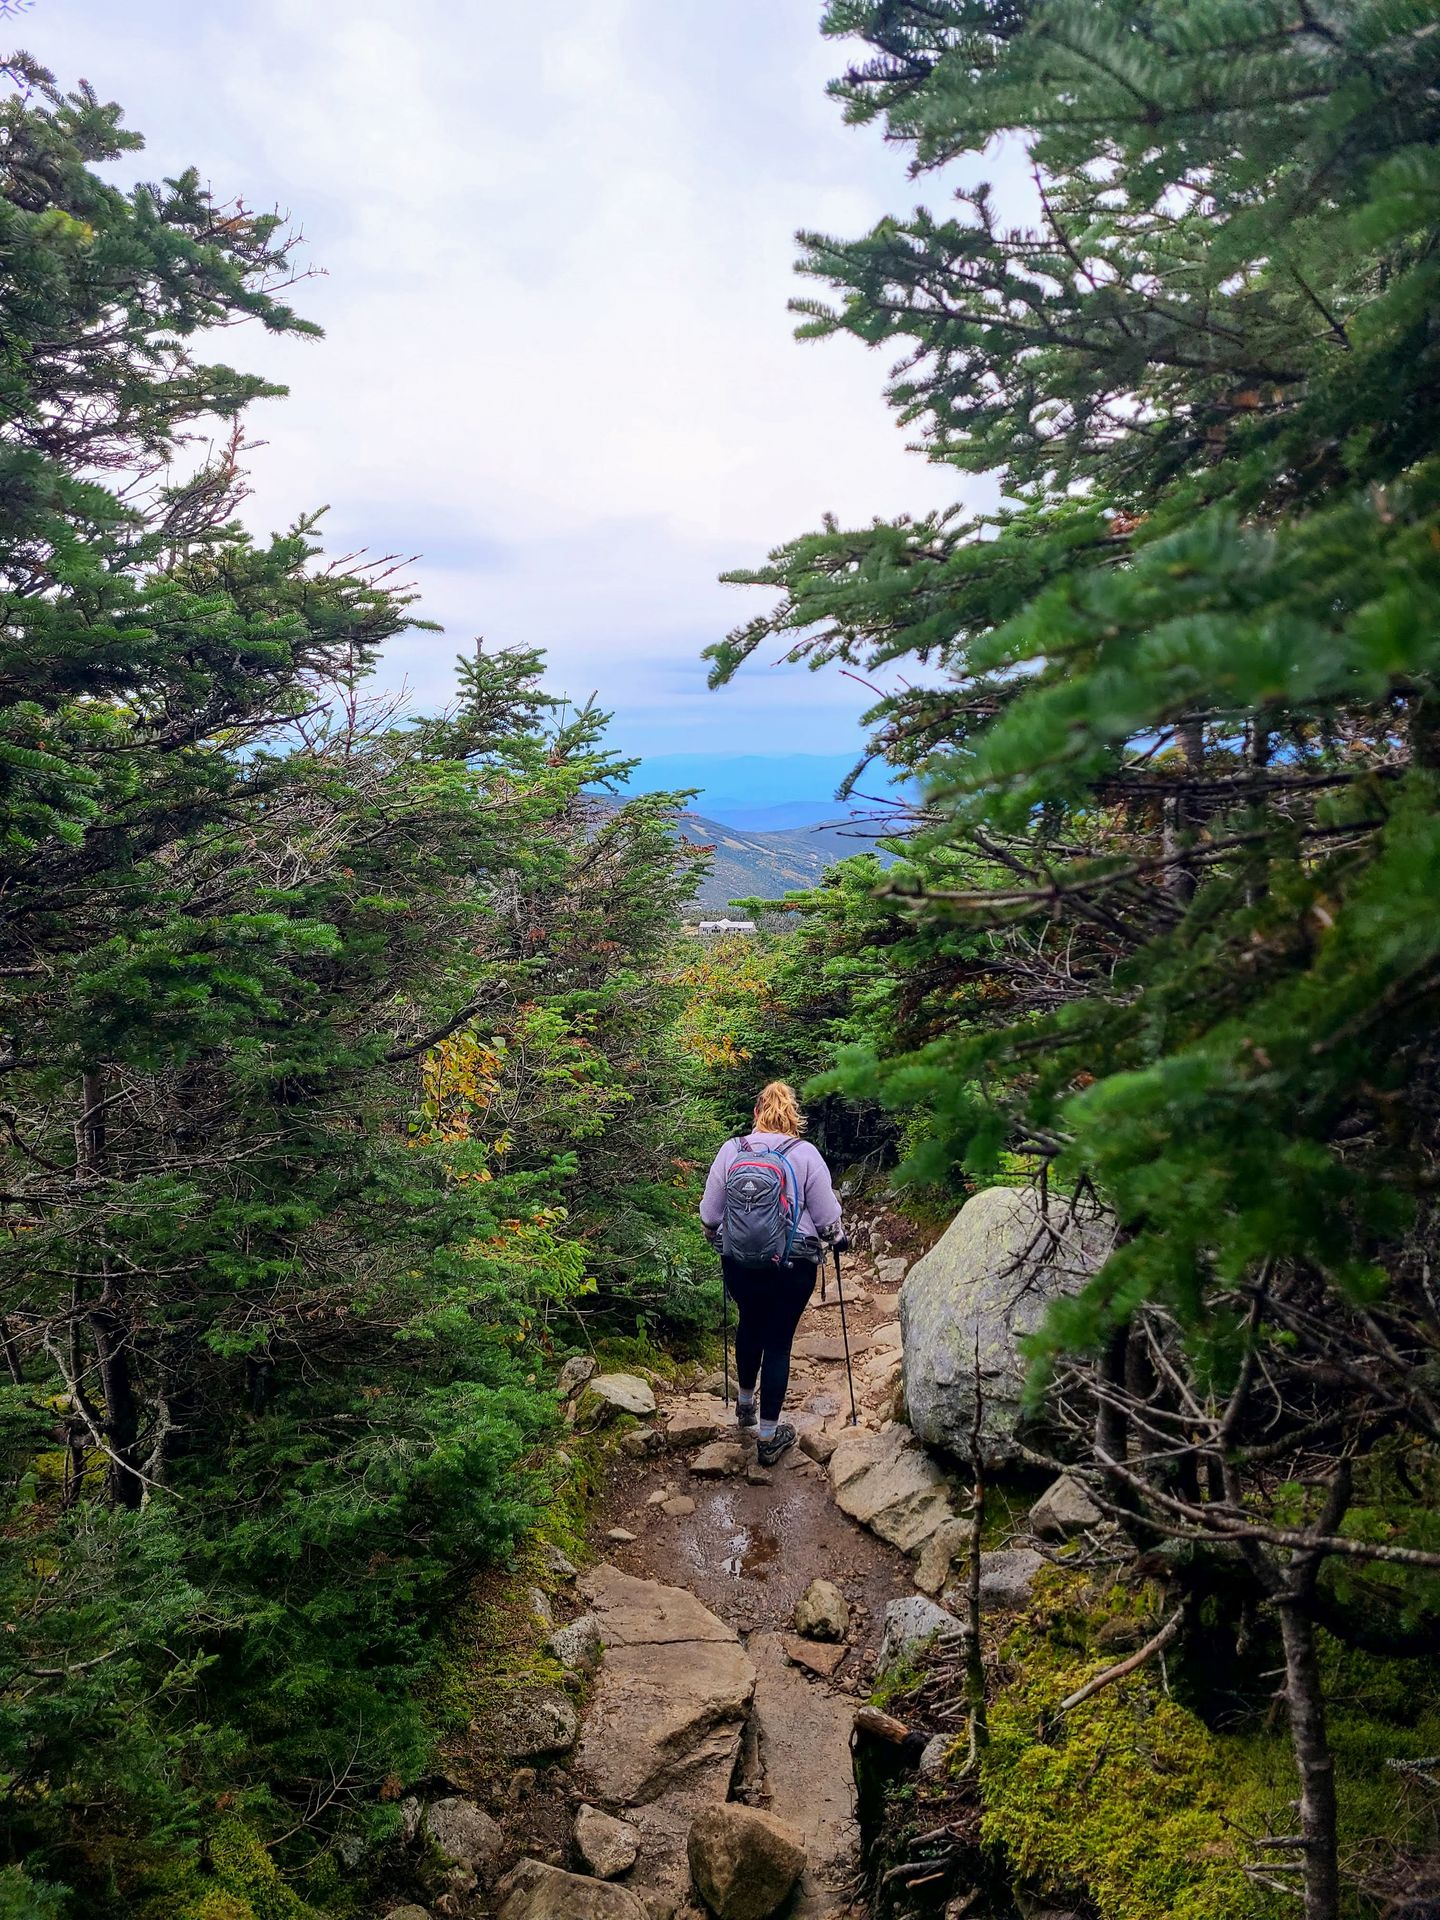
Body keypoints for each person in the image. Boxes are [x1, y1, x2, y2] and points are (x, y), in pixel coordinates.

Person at [699, 1081, 845, 1466]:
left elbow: (710, 1216)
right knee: (779, 1342)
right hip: (792, 1265)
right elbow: (829, 1219)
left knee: (749, 1324)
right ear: (792, 1116)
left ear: (756, 1113)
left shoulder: (733, 1150)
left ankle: (744, 1406)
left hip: (740, 1263)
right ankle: (768, 1437)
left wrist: (722, 1240)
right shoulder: (806, 1153)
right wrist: (838, 1240)